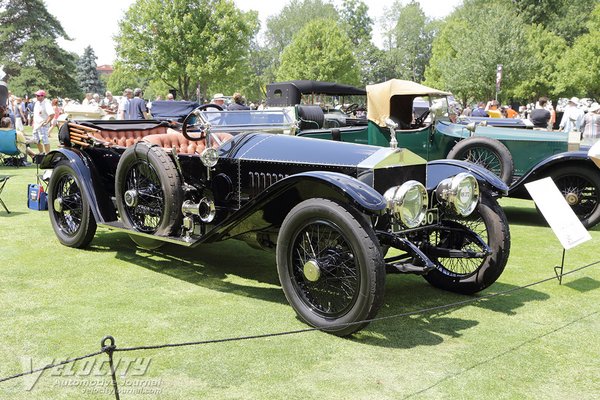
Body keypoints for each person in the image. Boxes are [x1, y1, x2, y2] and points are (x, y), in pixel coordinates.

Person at [31, 90, 54, 154]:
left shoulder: (46, 103)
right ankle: (41, 153)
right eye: (36, 95)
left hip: (43, 125)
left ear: (43, 96)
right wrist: (33, 122)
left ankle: (47, 154)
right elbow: (35, 114)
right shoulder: (36, 103)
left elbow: (52, 114)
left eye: (38, 95)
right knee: (36, 140)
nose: (36, 97)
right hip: (36, 125)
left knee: (45, 141)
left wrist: (46, 122)